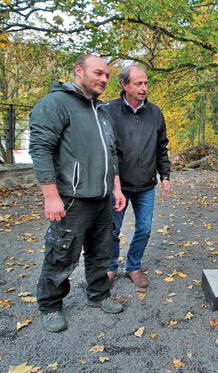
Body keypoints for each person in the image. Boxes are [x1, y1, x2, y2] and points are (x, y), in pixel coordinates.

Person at [29, 54, 126, 333]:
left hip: (103, 198)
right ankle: (50, 305)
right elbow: (41, 149)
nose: (105, 80)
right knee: (61, 254)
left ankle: (98, 295)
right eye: (98, 73)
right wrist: (50, 195)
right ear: (78, 71)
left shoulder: (102, 111)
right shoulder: (55, 104)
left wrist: (116, 188)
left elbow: (112, 154)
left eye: (107, 75)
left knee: (101, 251)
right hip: (72, 199)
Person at [107, 65, 171, 288]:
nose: (144, 88)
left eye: (146, 83)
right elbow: (105, 149)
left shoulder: (155, 113)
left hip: (145, 184)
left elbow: (161, 147)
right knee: (112, 229)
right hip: (117, 185)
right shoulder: (109, 111)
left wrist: (165, 174)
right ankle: (110, 267)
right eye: (138, 83)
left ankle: (133, 266)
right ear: (124, 85)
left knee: (144, 229)